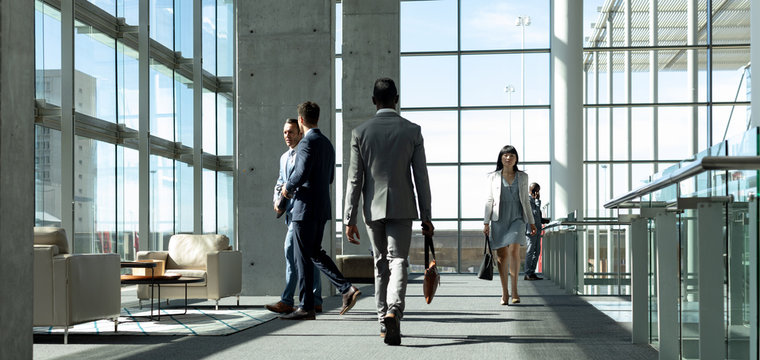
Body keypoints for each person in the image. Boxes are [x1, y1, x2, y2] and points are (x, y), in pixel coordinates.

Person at [344, 78, 434, 346]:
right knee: (398, 260)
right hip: (403, 206)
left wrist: (348, 218)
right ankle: (395, 309)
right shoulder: (412, 131)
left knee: (380, 263)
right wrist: (426, 215)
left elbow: (354, 180)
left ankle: (383, 320)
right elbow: (421, 177)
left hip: (373, 208)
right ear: (396, 98)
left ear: (374, 101)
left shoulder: (360, 132)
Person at [280, 101, 361, 320]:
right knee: (314, 252)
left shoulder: (307, 143)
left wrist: (287, 189)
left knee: (302, 256)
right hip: (322, 207)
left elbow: (301, 173)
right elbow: (331, 178)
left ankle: (308, 306)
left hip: (304, 208)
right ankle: (346, 289)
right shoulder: (327, 144)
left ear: (301, 120)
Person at [266, 118, 323, 314]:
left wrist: (287, 193)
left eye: (291, 132)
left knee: (290, 251)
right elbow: (280, 181)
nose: (287, 136)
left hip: (302, 211)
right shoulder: (284, 157)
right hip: (289, 212)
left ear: (300, 133)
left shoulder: (305, 153)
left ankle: (287, 300)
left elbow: (300, 180)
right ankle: (315, 299)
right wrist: (277, 199)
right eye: (284, 132)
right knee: (308, 254)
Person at [483, 145, 536, 305]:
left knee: (514, 250)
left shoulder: (523, 176)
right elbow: (489, 200)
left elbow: (526, 201)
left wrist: (532, 222)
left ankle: (515, 291)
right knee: (501, 256)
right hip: (499, 219)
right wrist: (486, 222)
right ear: (501, 158)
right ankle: (504, 292)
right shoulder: (493, 177)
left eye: (512, 155)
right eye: (505, 155)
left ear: (516, 159)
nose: (508, 158)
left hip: (517, 218)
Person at [524, 182, 550, 281]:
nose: (538, 193)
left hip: (538, 229)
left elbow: (537, 216)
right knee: (530, 251)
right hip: (531, 230)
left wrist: (544, 220)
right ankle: (527, 273)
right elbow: (533, 213)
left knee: (537, 251)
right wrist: (537, 201)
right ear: (533, 191)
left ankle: (532, 272)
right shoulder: (529, 201)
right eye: (537, 190)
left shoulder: (534, 201)